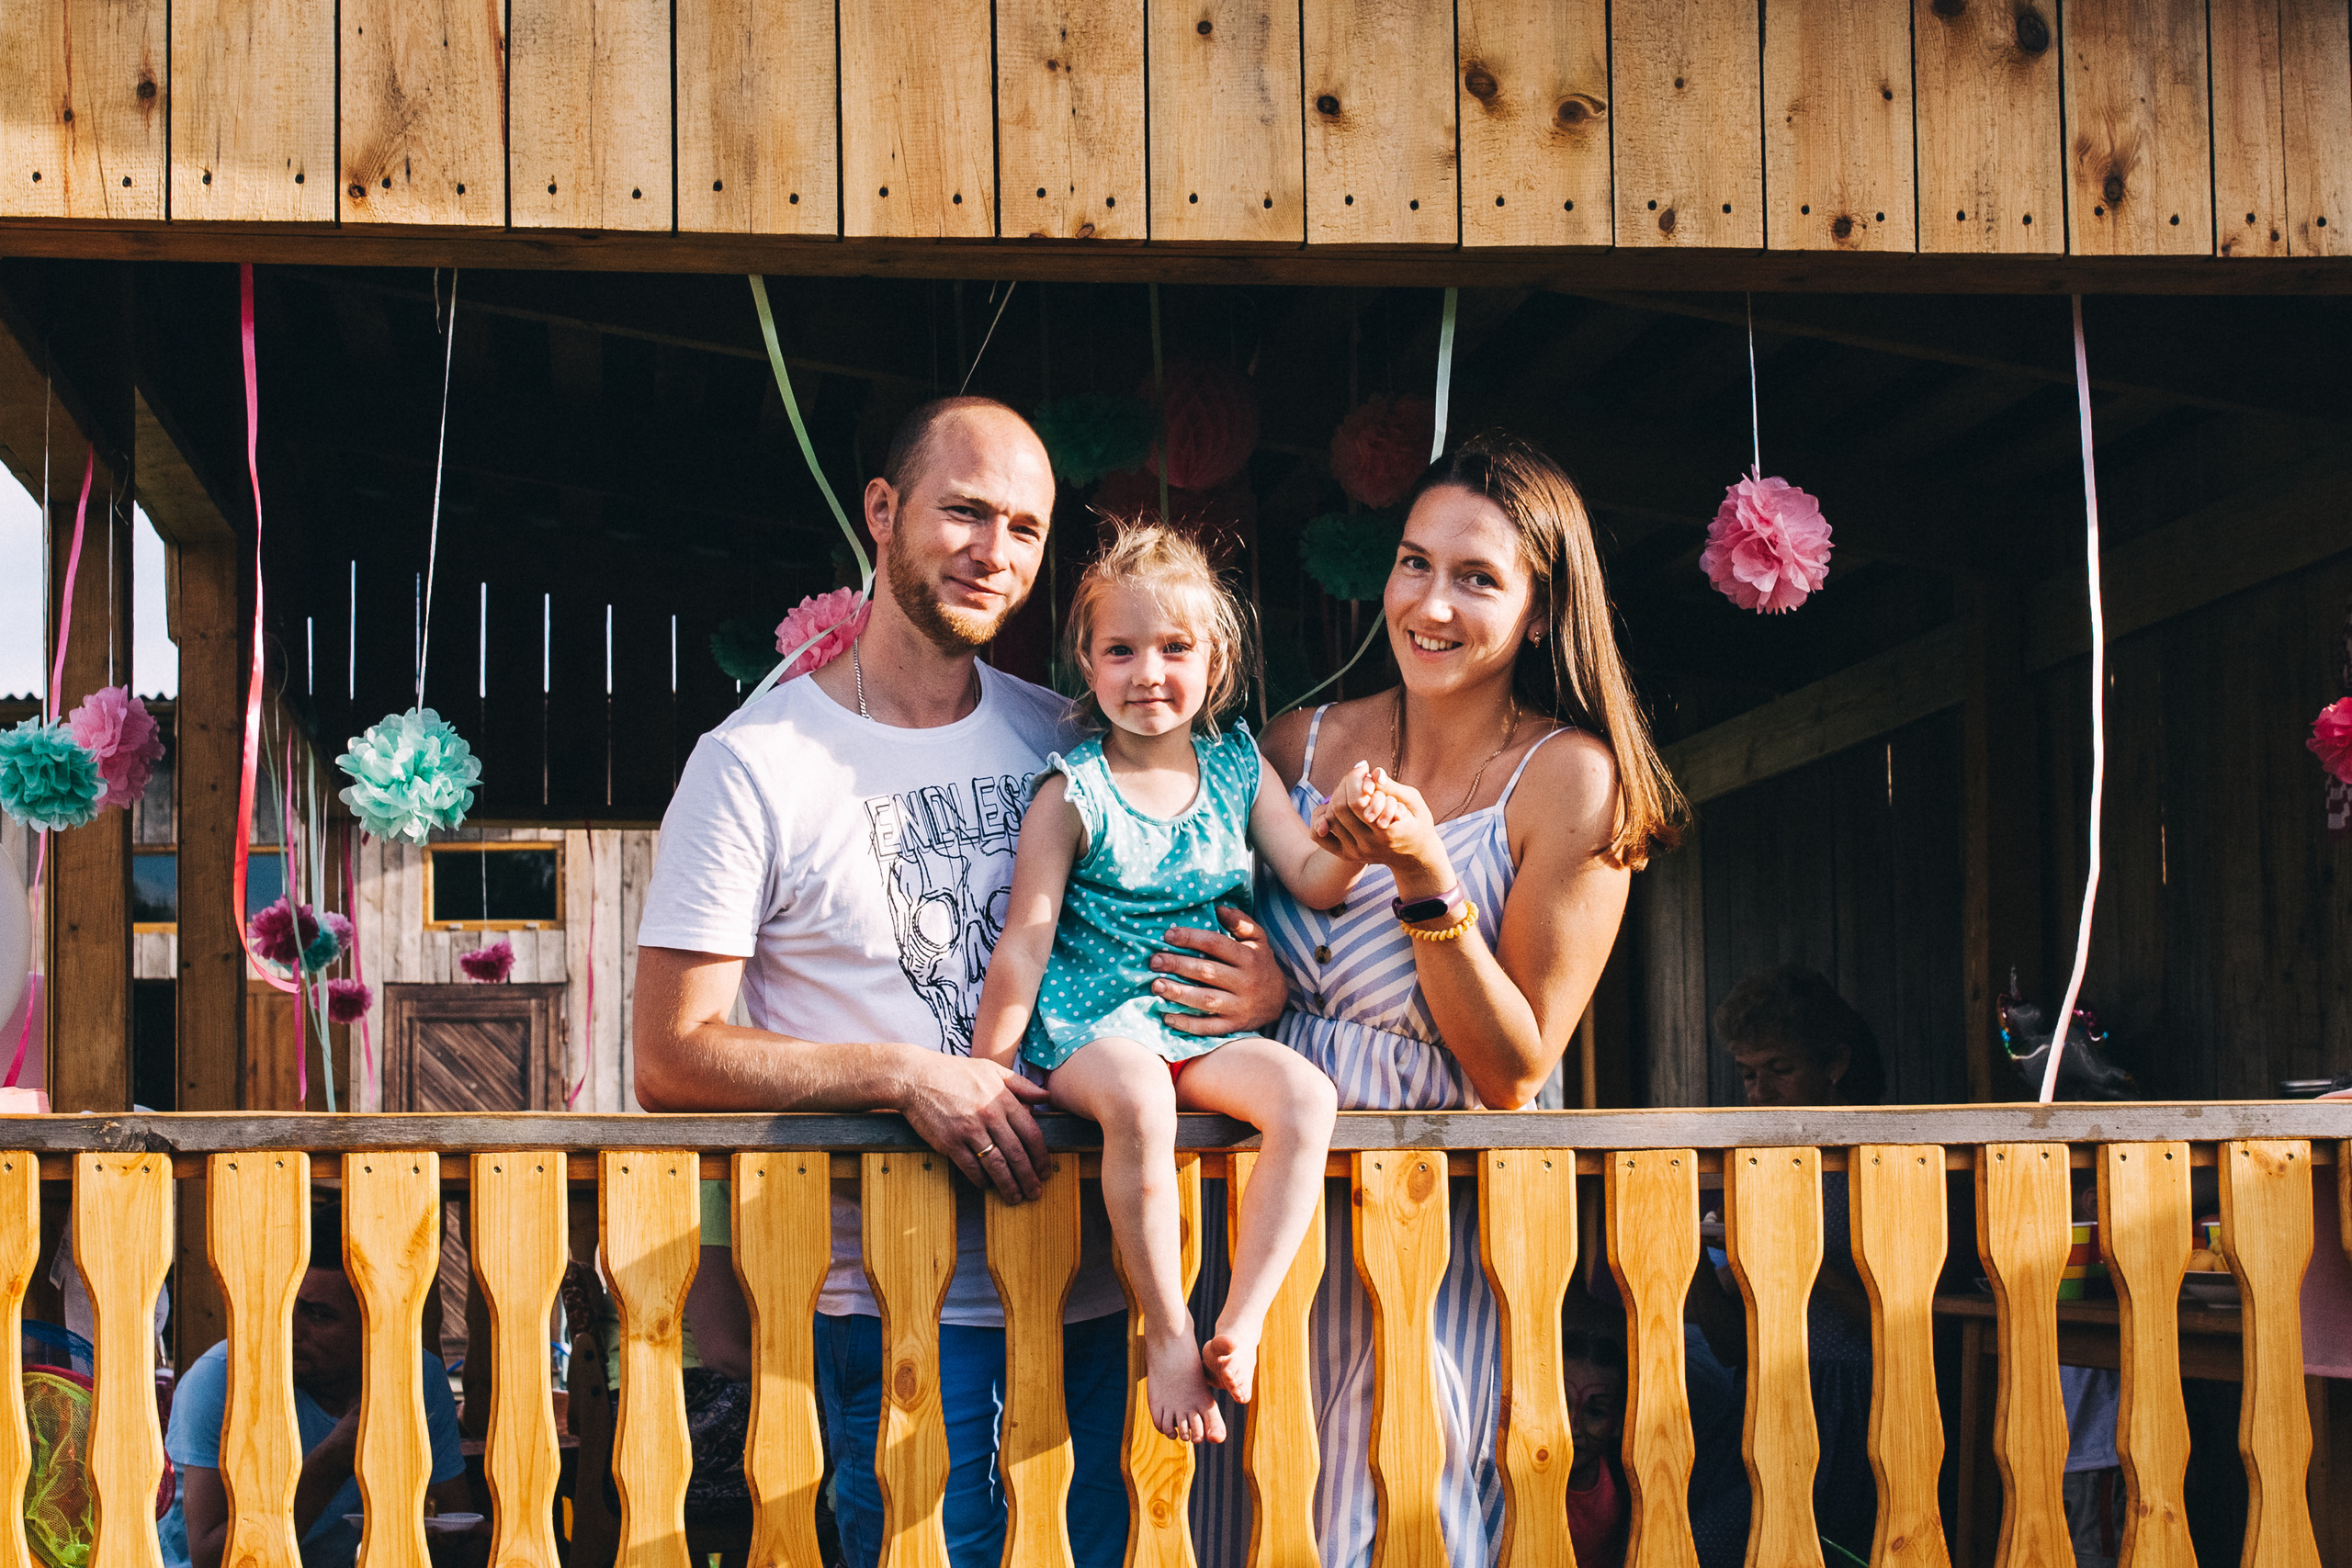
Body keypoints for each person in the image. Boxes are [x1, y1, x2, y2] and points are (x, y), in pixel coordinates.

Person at [630, 396, 1291, 1568]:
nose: (996, 552)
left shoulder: (1070, 737)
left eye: (1027, 529)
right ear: (882, 513)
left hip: (1104, 1294)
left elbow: (1198, 900)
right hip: (888, 1305)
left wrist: (1257, 991)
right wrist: (905, 1077)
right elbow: (670, 1055)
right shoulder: (754, 764)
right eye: (966, 512)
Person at [1193, 430, 1685, 1567]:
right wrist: (1257, 990)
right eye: (1415, 563)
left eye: (1476, 578)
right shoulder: (1298, 742)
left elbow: (1513, 1069)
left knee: (1401, 1510)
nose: (1431, 602)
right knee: (1244, 1515)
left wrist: (1425, 877)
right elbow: (1199, 938)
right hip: (1257, 1205)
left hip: (1436, 1212)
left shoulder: (1569, 778)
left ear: (1540, 606)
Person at [972, 524, 1365, 1442]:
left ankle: (1243, 1320)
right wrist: (989, 1065)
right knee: (1143, 1100)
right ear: (1088, 659)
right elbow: (1025, 941)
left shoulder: (1238, 769)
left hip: (1205, 1032)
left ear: (1214, 657)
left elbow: (1312, 878)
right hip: (1091, 1028)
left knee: (1306, 1097)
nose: (1148, 671)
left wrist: (1353, 836)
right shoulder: (1072, 790)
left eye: (1174, 648)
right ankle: (1169, 1329)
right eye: (1122, 650)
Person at [1683, 963, 1883, 1567]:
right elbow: (1733, 1344)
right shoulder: (1757, 1163)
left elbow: (1894, 1318)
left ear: (1835, 1064)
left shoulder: (1874, 1160)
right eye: (1748, 1074)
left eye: (1779, 1069)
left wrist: (1803, 1257)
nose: (1759, 1092)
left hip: (1848, 1405)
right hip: (1762, 1400)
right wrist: (1689, 1259)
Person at [161, 1207, 472, 1568]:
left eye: (319, 1314)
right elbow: (212, 1560)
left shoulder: (417, 1377)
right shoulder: (220, 1381)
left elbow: (455, 1521)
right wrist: (336, 1457)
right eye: (288, 1306)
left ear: (376, 1324)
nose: (291, 1330)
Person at [1561, 1327, 1629, 1568]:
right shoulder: (1510, 1481)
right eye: (1561, 1404)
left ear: (1619, 1423)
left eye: (1596, 1412)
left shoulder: (1626, 1486)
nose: (1574, 1427)